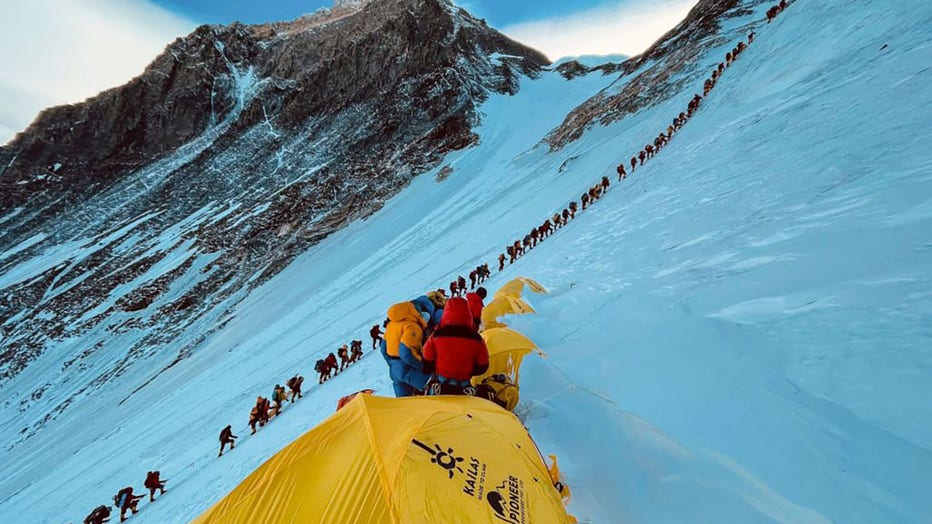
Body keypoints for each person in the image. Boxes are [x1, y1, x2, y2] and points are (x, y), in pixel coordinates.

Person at [421, 298, 490, 395]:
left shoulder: (436, 335)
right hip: (464, 386)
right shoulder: (477, 338)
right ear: (468, 313)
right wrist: (469, 371)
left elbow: (427, 360)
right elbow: (483, 365)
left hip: (441, 384)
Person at [380, 301, 432, 397]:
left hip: (395, 370)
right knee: (438, 394)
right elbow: (406, 353)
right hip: (409, 369)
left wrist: (392, 364)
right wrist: (423, 366)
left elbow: (383, 349)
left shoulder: (391, 326)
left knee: (404, 405)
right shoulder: (412, 327)